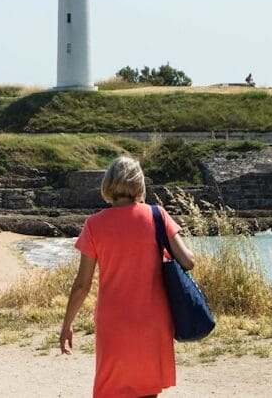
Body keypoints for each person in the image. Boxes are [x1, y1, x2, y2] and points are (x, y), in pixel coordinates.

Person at [59, 156, 195, 398]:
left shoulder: (94, 224)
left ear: (108, 184)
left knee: (111, 388)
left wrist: (67, 325)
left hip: (114, 323)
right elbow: (188, 261)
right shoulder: (157, 216)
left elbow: (82, 285)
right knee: (147, 389)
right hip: (153, 319)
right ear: (139, 184)